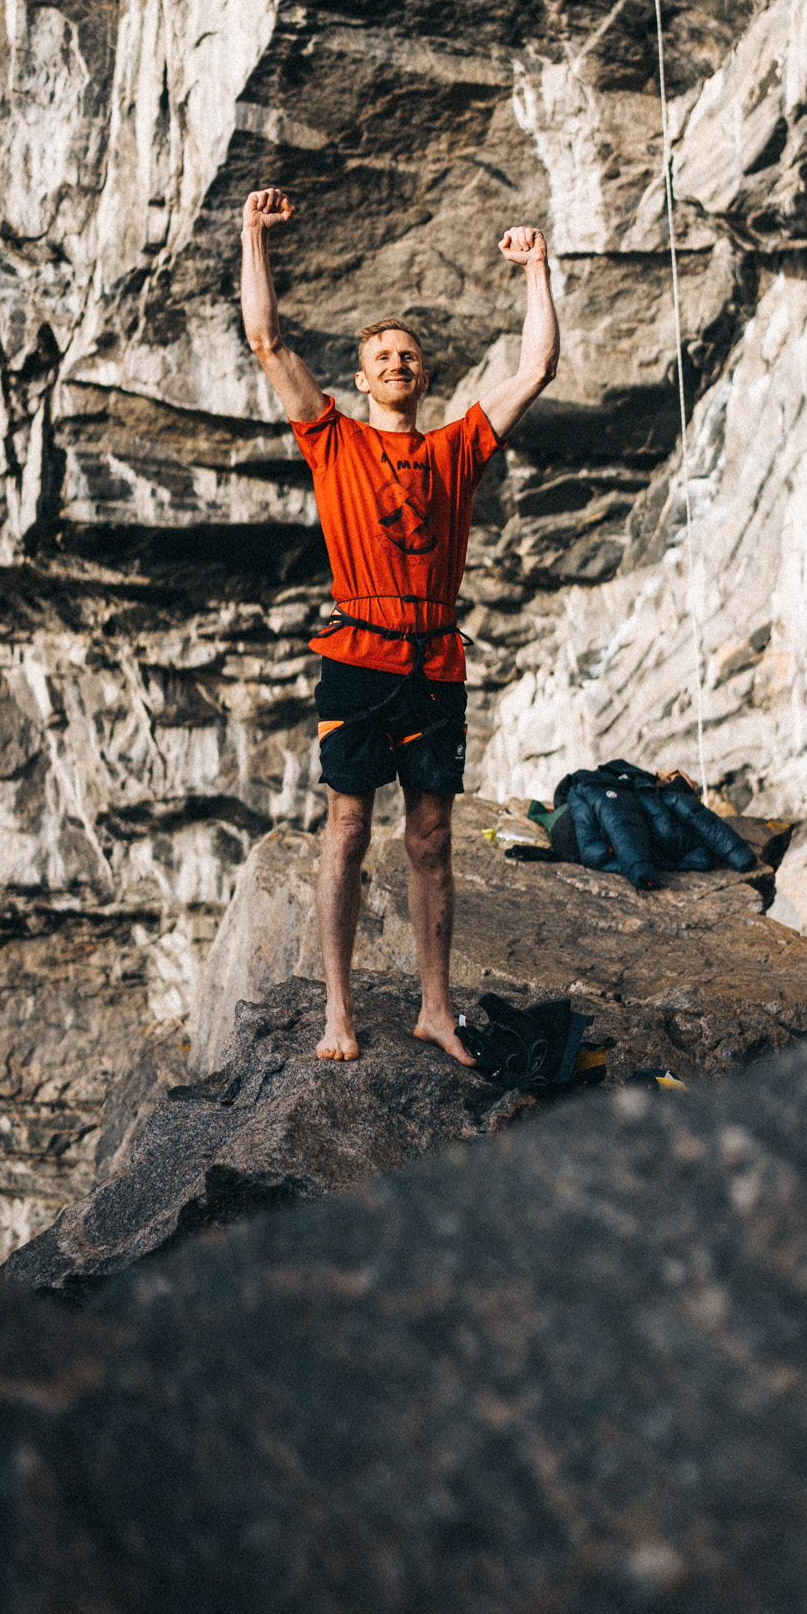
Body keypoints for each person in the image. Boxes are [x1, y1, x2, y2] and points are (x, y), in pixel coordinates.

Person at [239, 186, 560, 1065]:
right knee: (346, 830)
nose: (396, 364)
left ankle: (434, 1008)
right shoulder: (331, 437)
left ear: (424, 375)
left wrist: (536, 269)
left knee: (430, 838)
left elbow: (534, 369)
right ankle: (337, 1012)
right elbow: (265, 340)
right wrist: (252, 235)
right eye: (381, 355)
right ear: (360, 375)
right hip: (358, 655)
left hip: (435, 662)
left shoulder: (457, 445)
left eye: (408, 355)